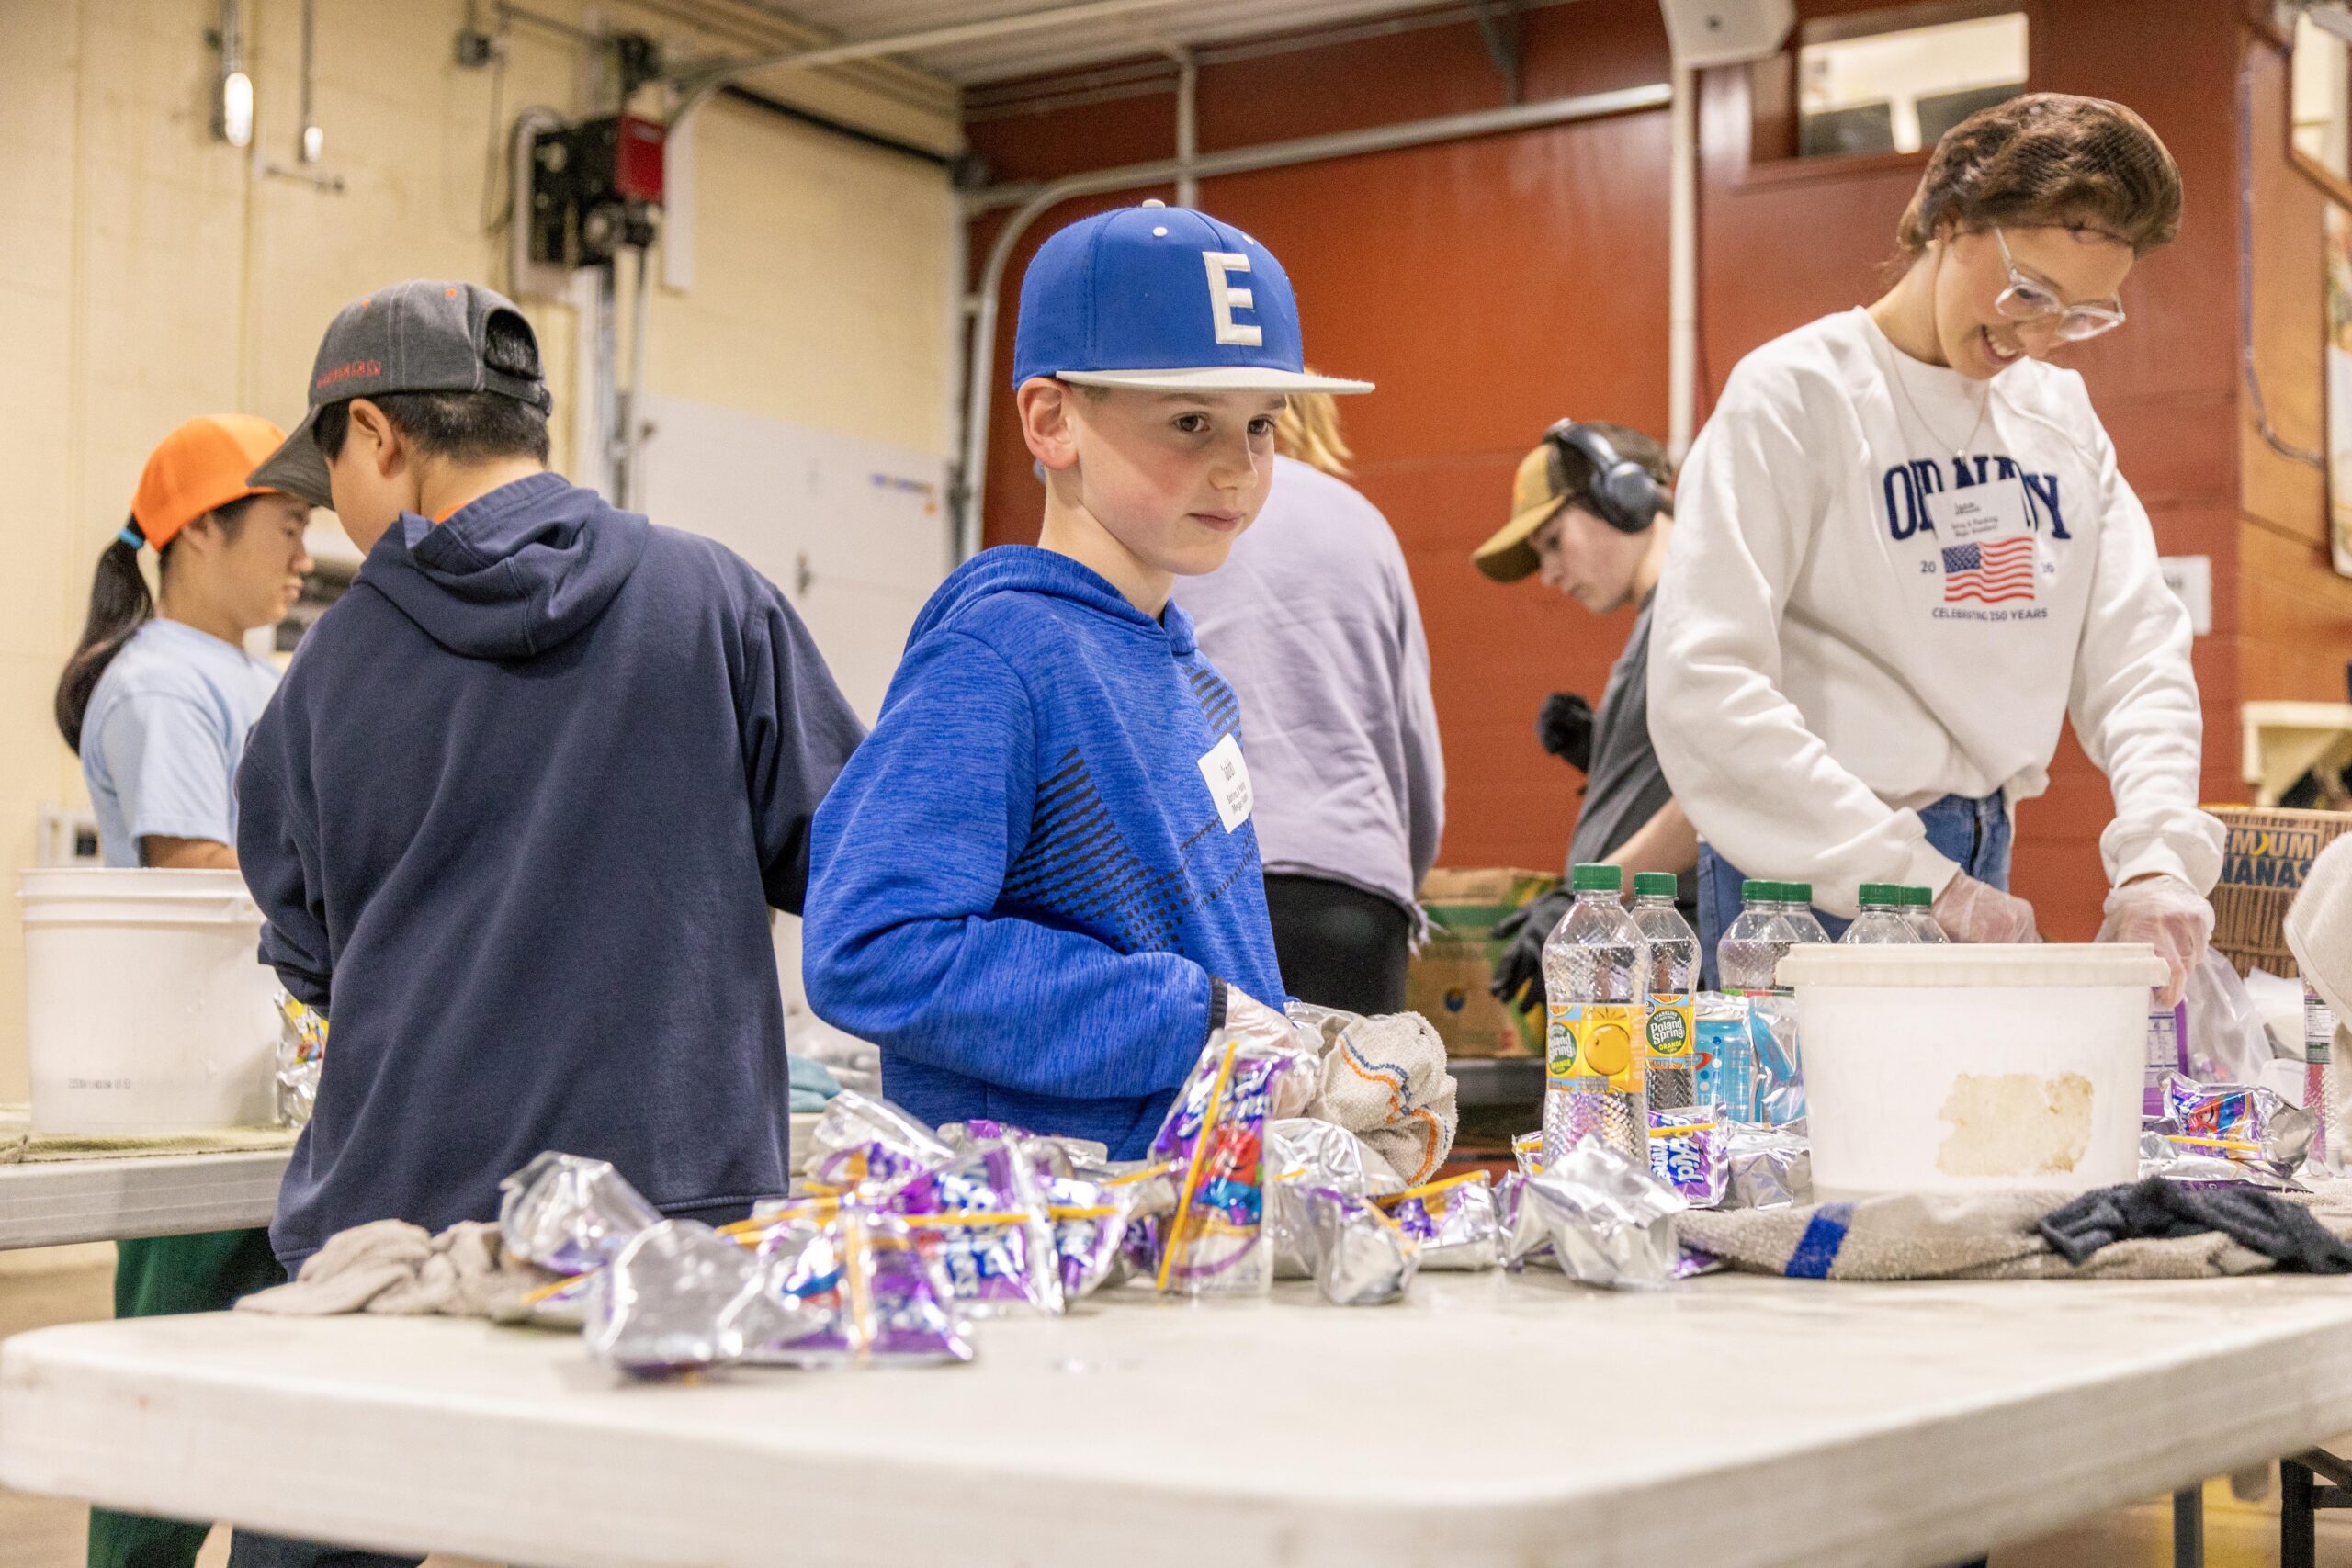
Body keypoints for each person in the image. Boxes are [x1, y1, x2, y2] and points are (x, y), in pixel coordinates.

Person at [231, 279, 862, 1568]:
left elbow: (310, 956)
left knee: (317, 1537)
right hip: (678, 1221)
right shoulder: (716, 601)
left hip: (397, 1232)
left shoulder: (320, 682)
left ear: (379, 438)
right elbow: (848, 864)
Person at [803, 202, 1372, 1157]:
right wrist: (1190, 1020)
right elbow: (871, 951)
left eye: (1263, 425)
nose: (1237, 467)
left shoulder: (1191, 680)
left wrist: (1291, 1043)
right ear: (1051, 418)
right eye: (1190, 421)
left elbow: (1209, 987)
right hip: (1047, 1230)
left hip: (1188, 1212)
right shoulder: (999, 658)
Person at [1649, 94, 2222, 1002]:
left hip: (1981, 847)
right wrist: (1922, 882)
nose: (2036, 336)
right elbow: (1705, 685)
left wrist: (2157, 859)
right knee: (1805, 1143)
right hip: (1817, 873)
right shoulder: (1798, 396)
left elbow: (2138, 660)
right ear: (1945, 221)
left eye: (2079, 315)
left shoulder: (2057, 417)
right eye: (2027, 291)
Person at [54, 414, 311, 1568]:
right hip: (187, 1086)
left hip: (251, 1073)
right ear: (202, 530)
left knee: (254, 1383)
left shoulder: (246, 675)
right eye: (288, 522)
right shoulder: (161, 683)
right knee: (170, 1392)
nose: (306, 550)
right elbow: (193, 867)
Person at [1173, 389, 1442, 1016]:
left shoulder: (1169, 520)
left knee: (1208, 1112)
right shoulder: (1365, 524)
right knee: (1358, 1110)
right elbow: (1414, 752)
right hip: (1354, 890)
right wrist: (1393, 873)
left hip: (1204, 876)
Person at [1473, 421, 1691, 1010]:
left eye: (1552, 541)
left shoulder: (1688, 612)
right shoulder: (1664, 619)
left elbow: (1718, 799)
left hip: (1673, 964)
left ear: (1623, 499)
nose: (1548, 574)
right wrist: (1603, 753)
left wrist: (1586, 898)